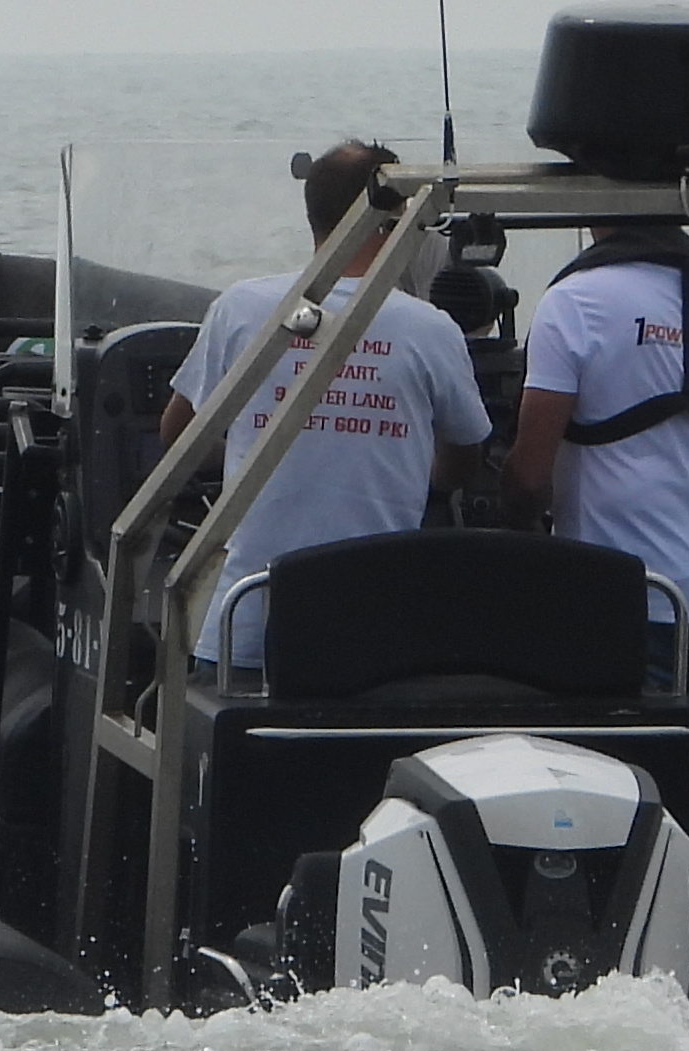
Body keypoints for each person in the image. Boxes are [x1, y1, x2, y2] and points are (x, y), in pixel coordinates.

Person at [159, 141, 492, 669]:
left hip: (245, 623)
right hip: (375, 630)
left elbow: (178, 435)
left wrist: (260, 445)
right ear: (394, 219)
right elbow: (463, 460)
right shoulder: (431, 330)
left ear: (313, 214)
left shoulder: (240, 309)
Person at [508, 222, 689, 813]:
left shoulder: (576, 302)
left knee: (615, 796)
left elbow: (528, 475)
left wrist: (514, 519)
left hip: (623, 602)